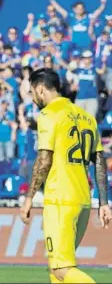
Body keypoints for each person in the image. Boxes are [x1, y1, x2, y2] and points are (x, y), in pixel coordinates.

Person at [20, 68, 112, 284]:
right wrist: (104, 202)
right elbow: (99, 160)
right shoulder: (87, 117)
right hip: (83, 200)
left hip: (60, 198)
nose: (33, 98)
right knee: (57, 268)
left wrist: (28, 197)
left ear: (41, 89)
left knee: (62, 268)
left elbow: (44, 158)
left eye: (33, 92)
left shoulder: (49, 115)